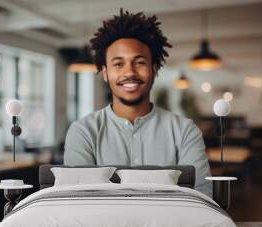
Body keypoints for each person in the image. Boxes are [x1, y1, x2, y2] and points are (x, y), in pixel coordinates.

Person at [64, 9, 212, 197]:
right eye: (118, 64)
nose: (130, 72)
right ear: (105, 73)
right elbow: (78, 199)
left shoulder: (184, 131)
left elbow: (201, 197)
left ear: (154, 69)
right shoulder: (83, 132)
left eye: (139, 62)